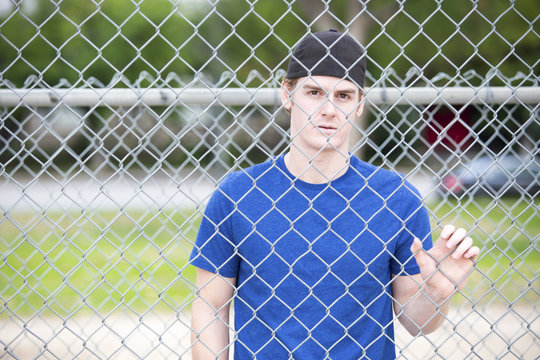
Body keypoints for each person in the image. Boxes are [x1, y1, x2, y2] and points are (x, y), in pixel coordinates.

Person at [189, 29, 479, 359]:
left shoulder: (396, 198)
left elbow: (416, 322)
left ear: (359, 105)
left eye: (343, 96)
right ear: (287, 94)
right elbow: (211, 307)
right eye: (314, 92)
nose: (329, 109)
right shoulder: (237, 195)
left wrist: (439, 291)